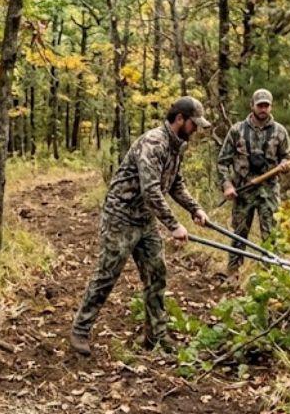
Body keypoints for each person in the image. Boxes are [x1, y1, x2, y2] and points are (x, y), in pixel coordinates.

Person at [69, 96, 212, 357]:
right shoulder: (154, 142)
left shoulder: (176, 146)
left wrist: (195, 209)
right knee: (107, 274)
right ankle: (80, 329)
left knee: (156, 273)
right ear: (180, 119)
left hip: (145, 219)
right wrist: (174, 225)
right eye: (194, 124)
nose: (196, 130)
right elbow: (151, 190)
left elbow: (175, 183)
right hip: (121, 216)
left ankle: (156, 335)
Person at [216, 88, 290, 274]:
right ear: (252, 106)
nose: (263, 109)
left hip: (269, 191)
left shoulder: (280, 131)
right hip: (243, 190)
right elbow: (222, 162)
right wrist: (227, 185)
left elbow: (287, 156)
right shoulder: (237, 131)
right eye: (260, 105)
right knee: (239, 234)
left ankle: (270, 277)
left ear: (271, 107)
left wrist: (285, 164)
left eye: (266, 105)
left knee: (271, 236)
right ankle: (233, 274)